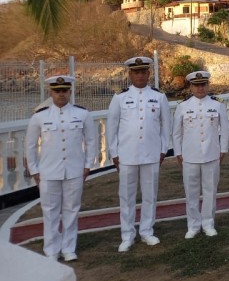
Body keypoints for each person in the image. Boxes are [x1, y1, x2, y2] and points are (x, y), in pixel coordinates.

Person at [25, 76, 98, 261]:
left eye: (64, 90)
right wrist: (34, 170)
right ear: (50, 92)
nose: (61, 94)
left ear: (70, 92)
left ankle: (68, 248)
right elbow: (30, 145)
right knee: (49, 211)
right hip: (48, 172)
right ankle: (51, 250)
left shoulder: (82, 114)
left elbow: (91, 141)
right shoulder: (40, 116)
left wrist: (88, 165)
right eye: (57, 91)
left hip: (74, 170)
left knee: (71, 210)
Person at [107, 56, 171, 252]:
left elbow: (166, 126)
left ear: (148, 73)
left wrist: (163, 150)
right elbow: (112, 126)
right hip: (127, 154)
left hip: (151, 154)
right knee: (126, 196)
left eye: (143, 72)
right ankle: (127, 235)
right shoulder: (120, 97)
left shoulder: (159, 97)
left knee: (150, 195)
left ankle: (147, 231)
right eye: (136, 72)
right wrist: (114, 152)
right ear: (130, 74)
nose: (140, 75)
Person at [173, 70, 229, 238]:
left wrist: (223, 149)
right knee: (191, 192)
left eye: (203, 84)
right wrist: (178, 152)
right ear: (190, 86)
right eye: (196, 85)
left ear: (208, 85)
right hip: (189, 156)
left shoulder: (217, 105)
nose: (200, 88)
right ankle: (193, 225)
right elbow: (176, 133)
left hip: (212, 154)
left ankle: (208, 223)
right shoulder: (183, 107)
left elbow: (225, 130)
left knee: (210, 191)